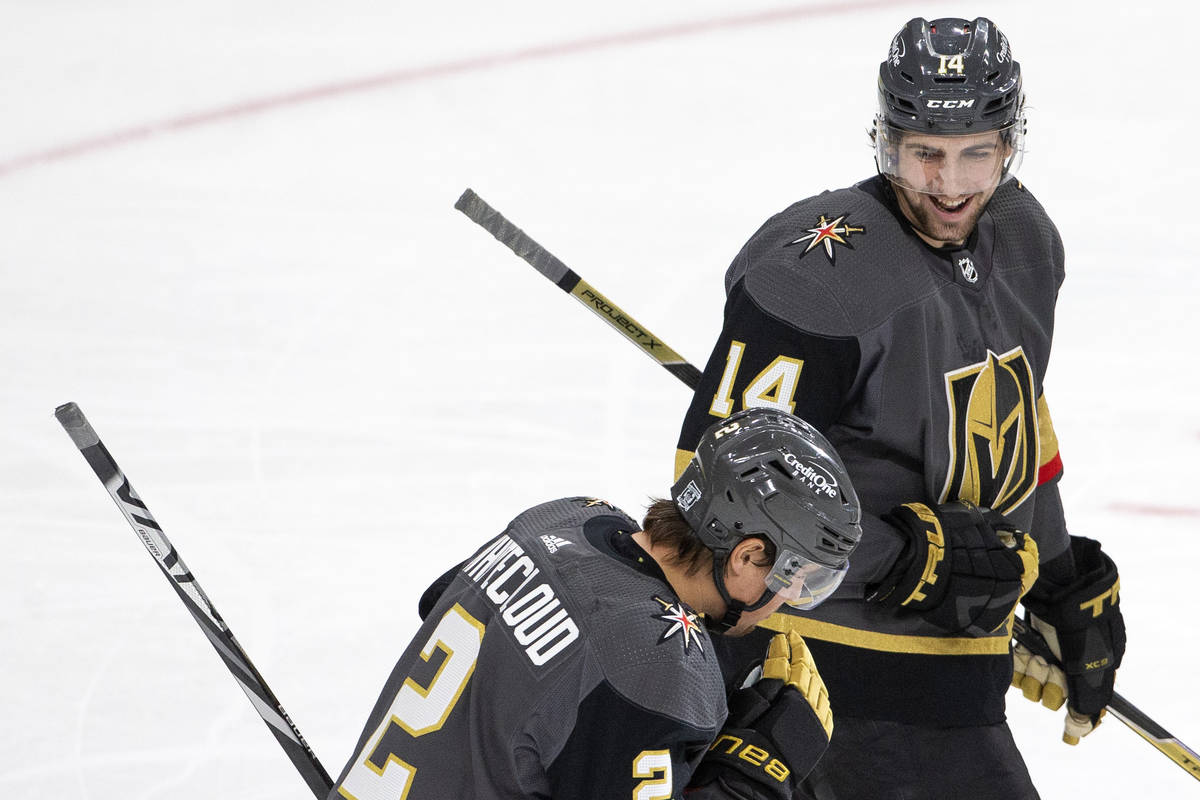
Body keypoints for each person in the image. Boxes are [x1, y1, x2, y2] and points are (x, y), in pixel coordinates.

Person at [674, 17, 1126, 800]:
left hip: (956, 686)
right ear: (886, 140)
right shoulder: (815, 277)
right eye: (924, 154)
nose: (949, 186)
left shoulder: (1025, 239)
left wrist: (1054, 576)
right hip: (820, 682)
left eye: (975, 154)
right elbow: (708, 505)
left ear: (1010, 143)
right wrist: (902, 563)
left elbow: (1015, 424)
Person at [328, 408, 862, 800]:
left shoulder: (567, 517)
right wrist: (752, 779)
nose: (792, 598)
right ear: (746, 556)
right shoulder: (660, 669)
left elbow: (438, 603)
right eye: (796, 575)